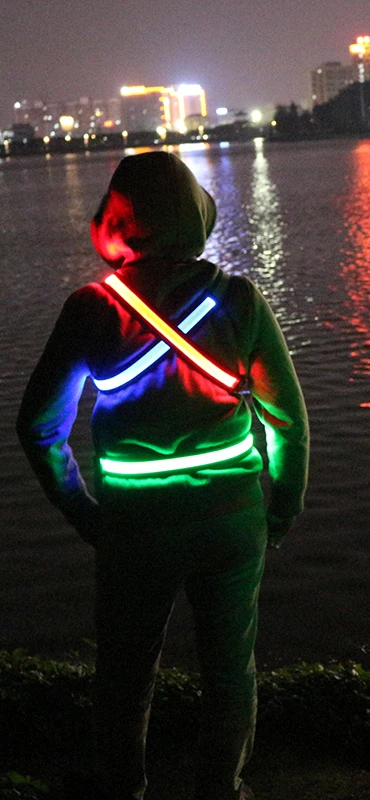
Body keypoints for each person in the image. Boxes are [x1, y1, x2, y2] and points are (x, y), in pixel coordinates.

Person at [17, 151, 309, 800]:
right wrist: (284, 505)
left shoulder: (90, 308)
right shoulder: (239, 301)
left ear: (116, 218)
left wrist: (82, 509)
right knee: (230, 669)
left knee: (125, 673)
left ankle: (123, 787)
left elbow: (38, 426)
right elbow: (287, 422)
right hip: (232, 518)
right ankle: (221, 789)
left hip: (135, 525)